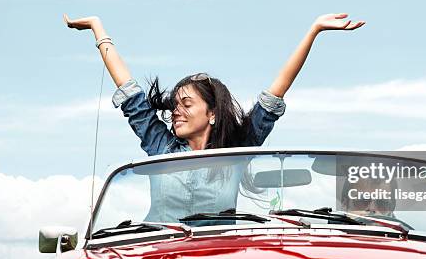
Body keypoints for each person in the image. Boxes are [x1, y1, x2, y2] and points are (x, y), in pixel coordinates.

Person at [64, 12, 365, 221]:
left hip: (218, 258)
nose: (175, 111)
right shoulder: (161, 148)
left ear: (211, 114)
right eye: (173, 105)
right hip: (160, 257)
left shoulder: (237, 150)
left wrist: (313, 31)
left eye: (185, 104)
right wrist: (97, 28)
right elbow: (129, 91)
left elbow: (275, 94)